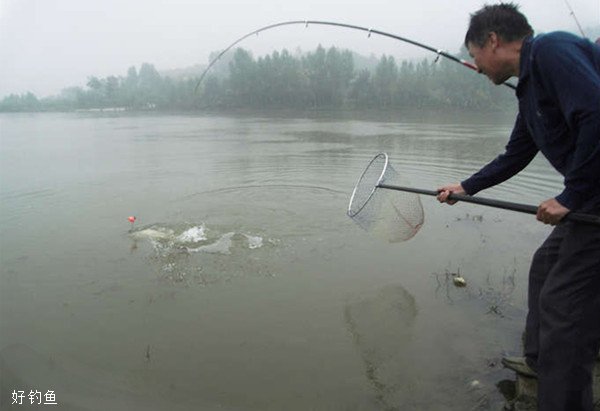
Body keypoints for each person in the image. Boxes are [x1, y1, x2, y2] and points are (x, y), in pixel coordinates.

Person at [436, 3, 600, 410]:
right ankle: (541, 364)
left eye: (475, 56)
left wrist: (569, 196)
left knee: (564, 307)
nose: (476, 67)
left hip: (593, 200)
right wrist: (467, 187)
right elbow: (517, 153)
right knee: (545, 268)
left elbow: (597, 113)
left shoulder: (550, 50)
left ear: (493, 41)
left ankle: (562, 397)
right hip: (590, 197)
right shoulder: (530, 89)